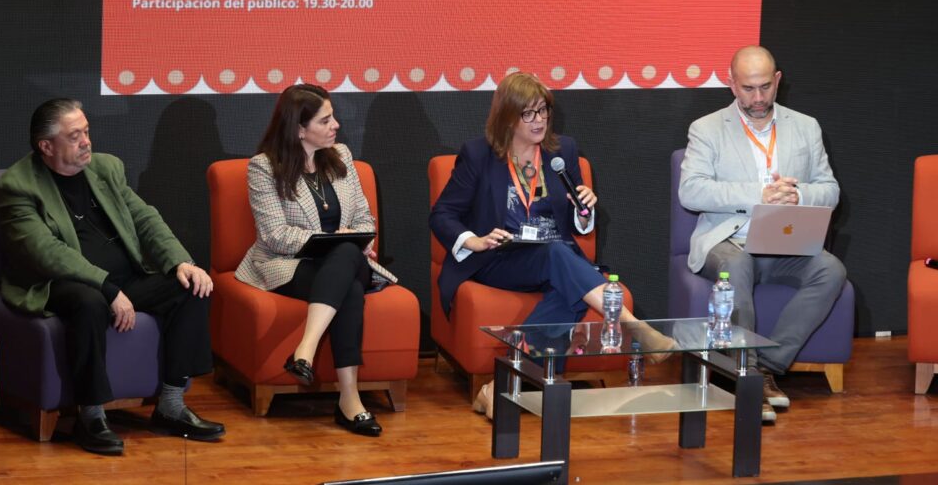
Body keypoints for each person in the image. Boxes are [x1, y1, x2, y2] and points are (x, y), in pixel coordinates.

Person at [430, 72, 673, 418]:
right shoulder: (478, 155)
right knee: (563, 261)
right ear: (507, 117)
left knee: (567, 287)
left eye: (543, 111)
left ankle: (496, 388)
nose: (539, 121)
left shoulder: (562, 152)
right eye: (528, 114)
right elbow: (442, 214)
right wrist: (476, 240)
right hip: (499, 258)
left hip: (551, 257)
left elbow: (578, 224)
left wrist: (584, 210)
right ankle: (632, 324)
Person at [0, 99, 225, 455]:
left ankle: (171, 405)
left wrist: (180, 261)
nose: (87, 141)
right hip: (59, 282)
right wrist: (106, 287)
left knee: (190, 287)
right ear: (46, 146)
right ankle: (91, 416)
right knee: (88, 302)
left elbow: (146, 218)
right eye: (75, 136)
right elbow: (44, 252)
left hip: (124, 279)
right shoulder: (17, 186)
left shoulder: (106, 169)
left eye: (86, 131)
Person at [679, 45, 847, 423]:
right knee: (735, 266)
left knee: (831, 270)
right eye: (749, 89)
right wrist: (758, 196)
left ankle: (767, 367)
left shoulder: (806, 126)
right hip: (729, 239)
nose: (758, 98)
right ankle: (745, 374)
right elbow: (691, 191)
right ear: (731, 85)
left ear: (777, 81)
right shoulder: (706, 129)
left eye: (765, 88)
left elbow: (831, 189)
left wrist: (798, 193)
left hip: (784, 239)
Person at [235, 84, 397, 437]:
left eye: (333, 116)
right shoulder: (264, 168)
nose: (336, 124)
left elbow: (366, 222)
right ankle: (350, 401)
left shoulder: (341, 157)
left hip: (343, 260)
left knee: (345, 254)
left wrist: (348, 240)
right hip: (291, 263)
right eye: (325, 120)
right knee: (349, 283)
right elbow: (274, 235)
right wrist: (334, 240)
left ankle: (305, 351)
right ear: (298, 128)